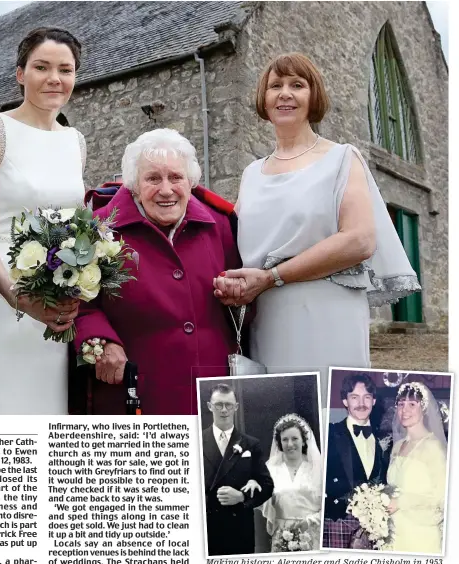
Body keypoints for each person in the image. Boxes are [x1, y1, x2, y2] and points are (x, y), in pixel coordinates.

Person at [214, 53, 421, 380]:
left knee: (332, 415)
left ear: (313, 97)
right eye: (275, 86)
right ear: (263, 100)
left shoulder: (341, 158)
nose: (285, 93)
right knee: (280, 419)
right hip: (269, 320)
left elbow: (359, 240)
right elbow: (227, 243)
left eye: (297, 85)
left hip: (329, 313)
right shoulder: (251, 173)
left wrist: (271, 277)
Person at [0, 27, 85, 414]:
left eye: (66, 69)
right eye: (41, 67)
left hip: (51, 314)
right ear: (20, 73)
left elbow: (77, 229)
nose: (54, 79)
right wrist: (19, 296)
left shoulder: (75, 141)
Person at [72, 128, 242, 415]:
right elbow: (76, 302)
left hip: (212, 392)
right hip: (134, 388)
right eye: (153, 178)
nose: (166, 190)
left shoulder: (220, 224)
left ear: (190, 182)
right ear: (134, 186)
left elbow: (243, 297)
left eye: (176, 177)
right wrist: (99, 341)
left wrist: (238, 293)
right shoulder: (97, 228)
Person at [202, 384, 274, 556]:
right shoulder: (195, 440)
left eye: (228, 405)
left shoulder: (250, 444)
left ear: (236, 407)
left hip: (239, 530)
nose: (224, 410)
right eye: (219, 405)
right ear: (209, 406)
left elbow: (267, 485)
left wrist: (241, 497)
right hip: (207, 528)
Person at [324, 373, 389, 548]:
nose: (361, 404)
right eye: (354, 397)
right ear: (345, 401)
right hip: (339, 522)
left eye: (367, 397)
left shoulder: (384, 439)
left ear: (374, 401)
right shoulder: (329, 434)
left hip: (376, 528)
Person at [382, 381, 447, 554]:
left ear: (424, 408)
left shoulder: (433, 447)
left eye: (412, 404)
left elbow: (441, 497)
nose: (405, 410)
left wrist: (401, 502)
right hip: (394, 533)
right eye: (401, 404)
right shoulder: (397, 446)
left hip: (420, 534)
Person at [261, 414, 323, 551]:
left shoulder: (317, 468)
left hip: (312, 535)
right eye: (285, 439)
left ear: (303, 441)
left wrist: (309, 521)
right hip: (281, 537)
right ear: (279, 443)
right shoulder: (270, 469)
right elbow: (261, 502)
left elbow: (327, 508)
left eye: (295, 438)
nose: (290, 444)